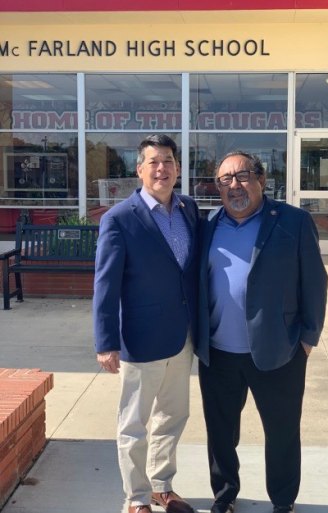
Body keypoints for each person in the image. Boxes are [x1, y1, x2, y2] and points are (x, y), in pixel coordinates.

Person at [196, 151, 328, 513]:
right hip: (218, 353)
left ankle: (283, 501)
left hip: (279, 351)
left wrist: (307, 338)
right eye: (225, 180)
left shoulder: (293, 221)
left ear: (261, 179)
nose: (234, 185)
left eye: (242, 176)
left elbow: (315, 282)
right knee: (221, 434)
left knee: (282, 432)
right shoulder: (207, 225)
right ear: (218, 187)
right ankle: (224, 496)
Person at [93, 134, 199, 513]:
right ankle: (136, 499)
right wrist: (106, 342)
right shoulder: (119, 219)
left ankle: (161, 485)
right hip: (140, 340)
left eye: (168, 160)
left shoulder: (188, 208)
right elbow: (106, 284)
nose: (162, 168)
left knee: (174, 416)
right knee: (134, 425)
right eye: (153, 162)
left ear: (177, 168)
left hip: (182, 337)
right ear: (139, 169)